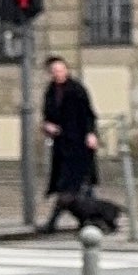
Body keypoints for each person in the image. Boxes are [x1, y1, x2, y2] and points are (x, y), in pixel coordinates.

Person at [40, 56, 99, 229]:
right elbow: (47, 115)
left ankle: (54, 222)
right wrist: (47, 126)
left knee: (75, 184)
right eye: (55, 71)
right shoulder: (50, 91)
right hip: (61, 144)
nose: (58, 73)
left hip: (79, 143)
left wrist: (91, 133)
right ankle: (90, 219)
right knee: (73, 185)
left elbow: (88, 114)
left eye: (61, 70)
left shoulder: (77, 89)